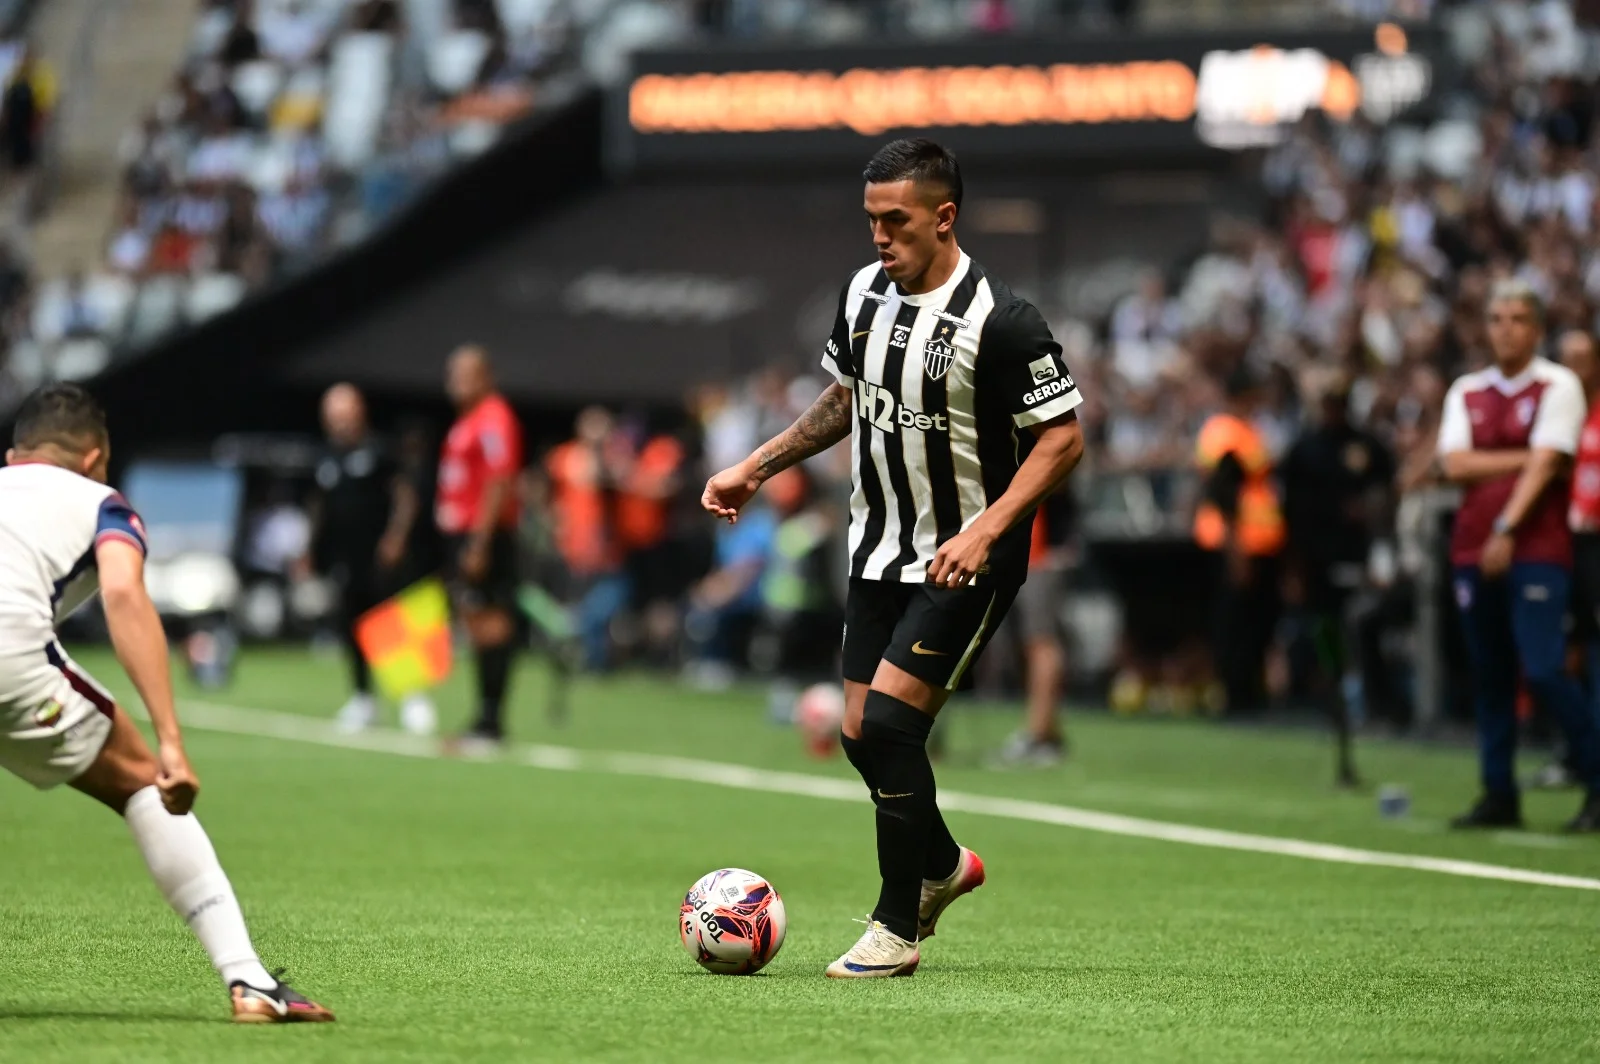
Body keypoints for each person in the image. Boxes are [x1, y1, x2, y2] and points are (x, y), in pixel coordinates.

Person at [702, 139, 1085, 978]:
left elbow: (1061, 439)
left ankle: (896, 926)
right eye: (871, 219)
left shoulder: (1003, 319)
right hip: (876, 548)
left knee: (890, 726)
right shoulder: (862, 294)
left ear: (944, 218)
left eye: (896, 220)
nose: (879, 236)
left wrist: (987, 530)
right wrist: (756, 467)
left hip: (965, 560)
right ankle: (942, 865)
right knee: (855, 734)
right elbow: (847, 398)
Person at [0, 384, 333, 1022]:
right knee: (143, 783)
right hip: (13, 658)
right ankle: (249, 981)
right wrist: (172, 741)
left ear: (15, 457)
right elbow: (125, 595)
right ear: (96, 458)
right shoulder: (103, 503)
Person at [1437, 280, 1600, 831]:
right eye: (1497, 319)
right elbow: (1454, 465)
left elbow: (1549, 462)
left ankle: (1595, 774)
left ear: (1537, 328)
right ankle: (1498, 791)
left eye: (1518, 319)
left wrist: (1506, 527)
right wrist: (1524, 457)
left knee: (1544, 666)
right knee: (1490, 673)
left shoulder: (1558, 385)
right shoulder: (1467, 390)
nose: (1506, 330)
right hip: (1470, 545)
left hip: (1536, 546)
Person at [1280, 370, 1395, 786]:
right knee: (1326, 638)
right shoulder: (1304, 450)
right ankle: (1333, 703)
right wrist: (1293, 568)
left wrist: (1376, 531)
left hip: (1359, 560)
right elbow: (1289, 514)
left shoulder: (1366, 446)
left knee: (1364, 631)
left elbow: (1387, 491)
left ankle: (1372, 704)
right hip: (1317, 563)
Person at [310, 382, 436, 736]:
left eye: (345, 414)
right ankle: (363, 698)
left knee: (392, 623)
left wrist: (396, 537)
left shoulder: (380, 452)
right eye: (333, 416)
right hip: (344, 557)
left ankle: (412, 695)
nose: (340, 422)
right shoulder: (326, 459)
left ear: (359, 412)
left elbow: (405, 497)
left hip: (380, 555)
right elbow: (319, 507)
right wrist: (312, 548)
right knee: (354, 627)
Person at [437, 346, 524, 746]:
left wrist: (480, 542)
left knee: (492, 623)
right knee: (474, 622)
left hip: (485, 535)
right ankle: (483, 717)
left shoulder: (493, 417)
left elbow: (499, 477)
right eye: (453, 373)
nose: (456, 381)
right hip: (464, 533)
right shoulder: (468, 419)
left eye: (466, 373)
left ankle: (491, 720)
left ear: (487, 377)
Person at [1194, 366, 1287, 714]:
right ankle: (1236, 696)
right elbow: (1224, 493)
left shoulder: (1247, 429)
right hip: (1234, 543)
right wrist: (1236, 550)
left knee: (1256, 621)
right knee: (1235, 623)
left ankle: (1249, 692)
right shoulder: (1225, 432)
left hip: (1257, 543)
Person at [992, 494, 1076, 767]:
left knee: (1041, 642)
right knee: (1026, 646)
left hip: (1042, 552)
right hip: (1016, 550)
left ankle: (1039, 736)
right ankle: (1048, 733)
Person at [1558, 326, 1600, 785]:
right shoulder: (1560, 414)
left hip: (1595, 547)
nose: (1574, 367)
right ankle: (1578, 757)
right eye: (1566, 358)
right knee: (1567, 656)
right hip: (1563, 546)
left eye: (1582, 358)